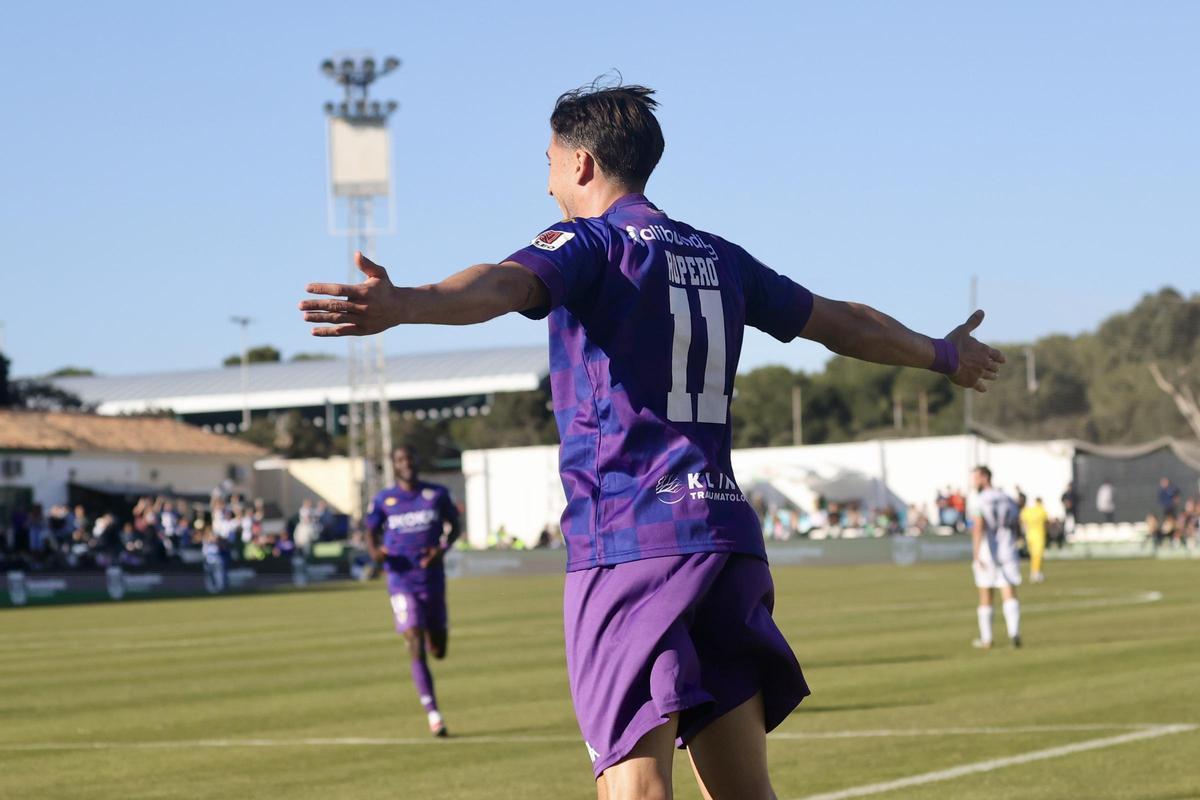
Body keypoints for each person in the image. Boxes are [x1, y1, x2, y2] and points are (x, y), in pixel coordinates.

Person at [299, 82, 1004, 798]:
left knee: (634, 789)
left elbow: (505, 284)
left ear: (580, 165)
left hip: (633, 541)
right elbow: (839, 320)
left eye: (546, 163)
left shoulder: (588, 245)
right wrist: (940, 355)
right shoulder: (718, 255)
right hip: (726, 540)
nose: (543, 183)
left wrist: (406, 305)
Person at [364, 445, 462, 738]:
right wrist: (375, 554)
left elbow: (454, 527)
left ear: (416, 461)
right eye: (400, 460)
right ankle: (434, 714)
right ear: (394, 466)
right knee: (414, 639)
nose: (406, 464)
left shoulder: (437, 494)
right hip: (400, 579)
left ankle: (436, 638)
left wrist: (441, 549)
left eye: (410, 458)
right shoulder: (384, 499)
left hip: (431, 578)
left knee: (438, 649)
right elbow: (370, 530)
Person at [969, 466, 1022, 649]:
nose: (972, 482)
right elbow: (1016, 523)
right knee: (1009, 591)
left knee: (986, 594)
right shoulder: (1007, 498)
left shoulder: (980, 500)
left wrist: (975, 553)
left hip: (987, 551)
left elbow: (978, 527)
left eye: (975, 478)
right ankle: (1014, 632)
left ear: (984, 477)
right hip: (1008, 548)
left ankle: (987, 639)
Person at [1020, 497, 1049, 582]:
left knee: (1033, 555)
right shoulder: (1042, 511)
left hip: (1029, 535)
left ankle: (1035, 572)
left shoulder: (1028, 510)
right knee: (1038, 555)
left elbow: (1022, 521)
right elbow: (1046, 523)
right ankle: (1036, 573)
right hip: (1039, 535)